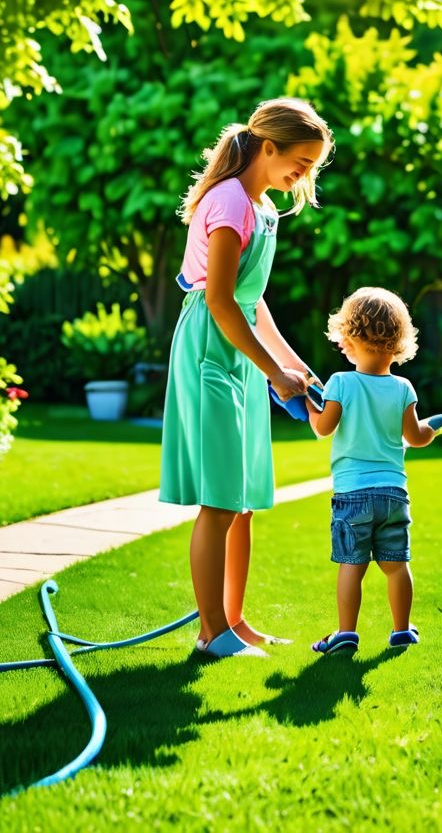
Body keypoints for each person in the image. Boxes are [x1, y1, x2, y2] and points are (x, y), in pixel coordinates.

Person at [160, 97, 334, 658]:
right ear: (268, 147)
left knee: (243, 498)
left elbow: (251, 300)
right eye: (300, 163)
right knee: (219, 499)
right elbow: (218, 301)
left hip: (236, 342)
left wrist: (292, 363)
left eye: (311, 167)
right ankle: (211, 632)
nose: (302, 175)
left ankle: (234, 621)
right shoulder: (231, 202)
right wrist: (271, 373)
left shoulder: (261, 209)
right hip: (212, 345)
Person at [308, 287, 435, 655]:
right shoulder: (403, 388)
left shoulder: (341, 383)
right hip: (394, 494)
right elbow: (416, 436)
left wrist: (306, 401)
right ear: (399, 340)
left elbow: (323, 427)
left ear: (348, 336)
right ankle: (401, 631)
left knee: (352, 564)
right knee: (396, 566)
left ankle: (346, 632)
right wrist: (433, 428)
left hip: (352, 495)